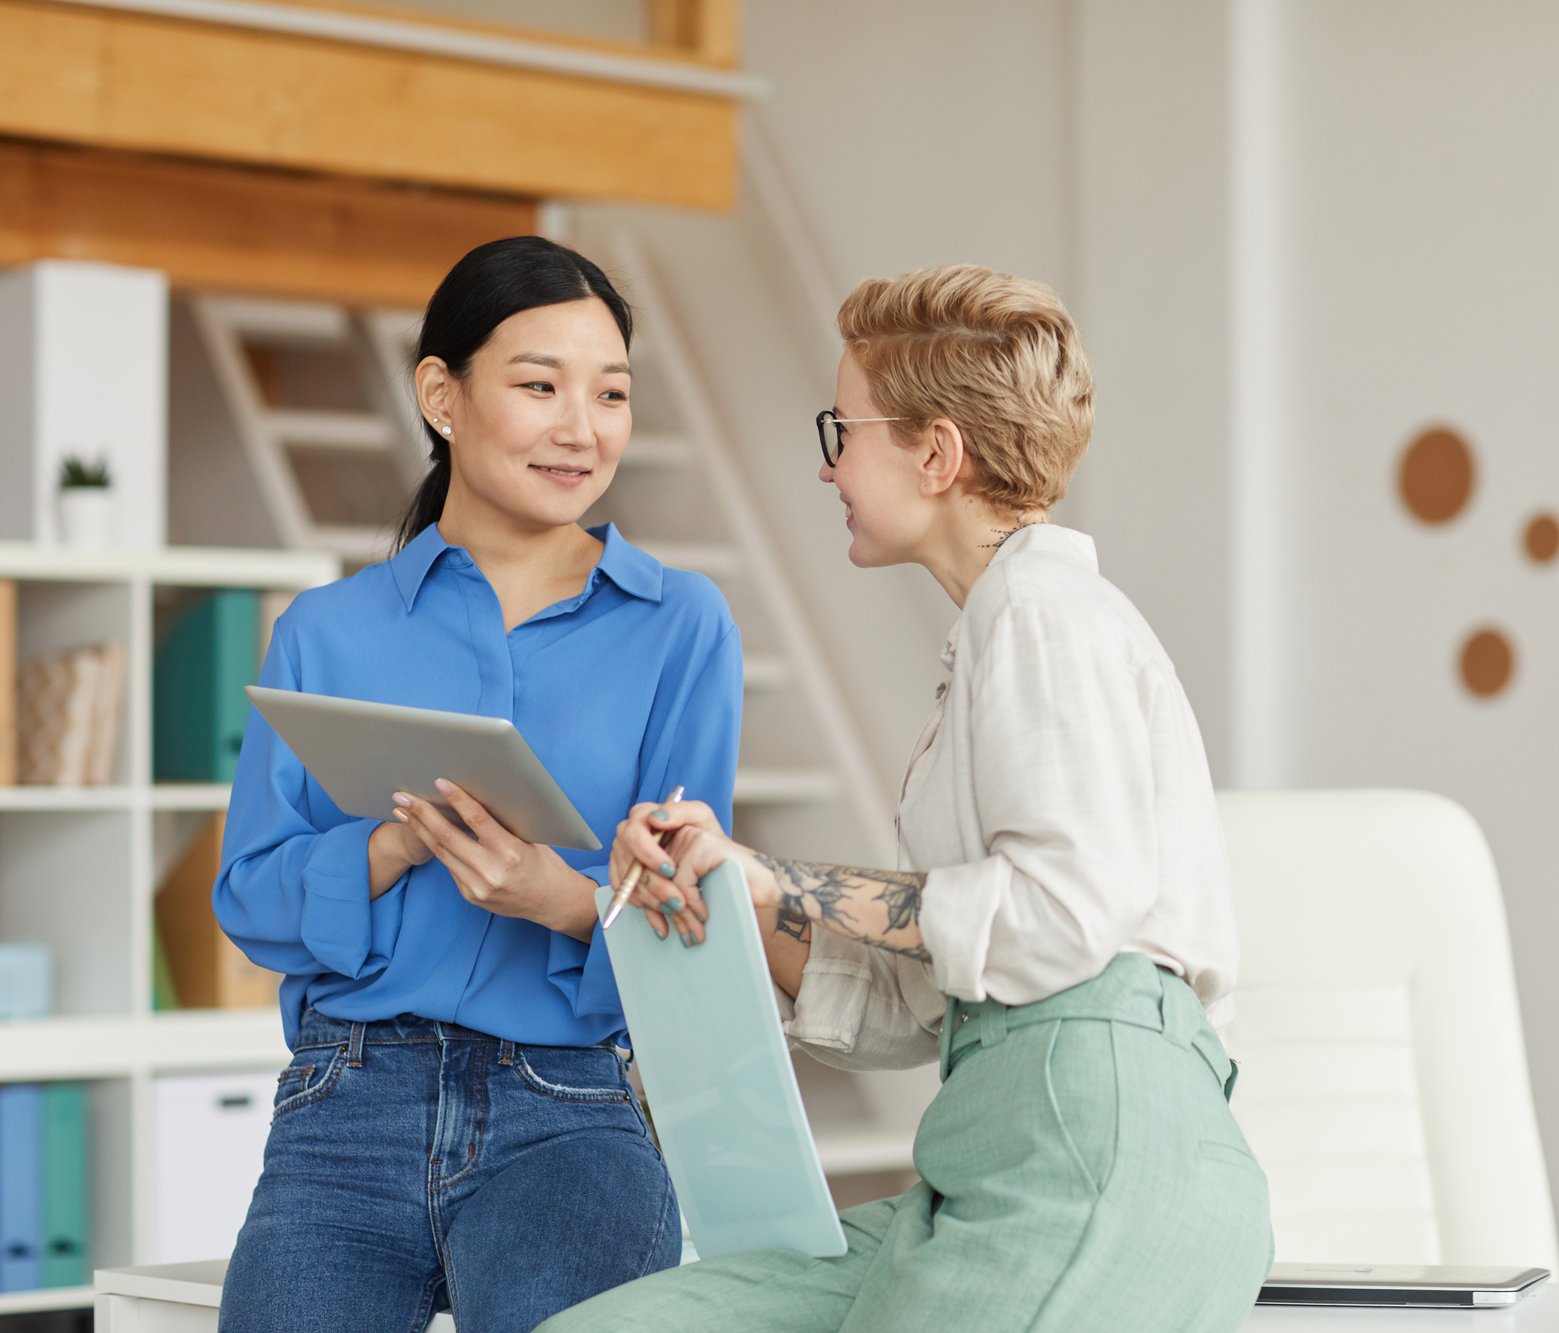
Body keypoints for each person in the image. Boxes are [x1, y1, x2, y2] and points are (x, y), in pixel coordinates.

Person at [541, 264, 1272, 1332]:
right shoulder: (994, 633)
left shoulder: (1042, 611)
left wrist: (780, 875)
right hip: (996, 1141)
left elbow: (1060, 917)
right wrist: (743, 897)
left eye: (843, 433)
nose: (828, 468)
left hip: (1091, 1140)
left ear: (935, 454)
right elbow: (933, 995)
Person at [213, 236, 742, 1333]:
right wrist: (390, 846)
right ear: (441, 395)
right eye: (539, 386)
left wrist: (554, 894)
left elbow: (696, 912)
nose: (581, 428)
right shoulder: (325, 629)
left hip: (570, 1108)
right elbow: (249, 899)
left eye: (610, 394)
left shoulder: (681, 626)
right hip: (343, 1103)